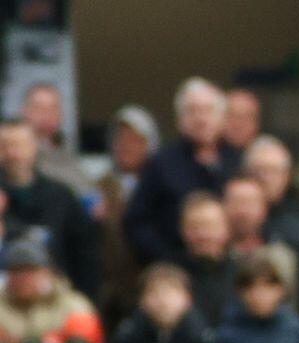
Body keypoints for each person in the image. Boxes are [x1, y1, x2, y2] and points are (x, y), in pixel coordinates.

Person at [124, 78, 241, 265]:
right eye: (193, 111)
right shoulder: (160, 164)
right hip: (175, 267)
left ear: (222, 118)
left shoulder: (238, 161)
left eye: (208, 110)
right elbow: (137, 223)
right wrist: (168, 259)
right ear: (180, 119)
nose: (201, 119)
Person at [0, 239, 103, 343]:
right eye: (16, 272)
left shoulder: (74, 305)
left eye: (30, 271)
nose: (23, 279)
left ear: (47, 272)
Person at [0, 119, 94, 295]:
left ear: (34, 147)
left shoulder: (60, 196)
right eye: (5, 146)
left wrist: (83, 297)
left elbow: (83, 254)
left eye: (18, 145)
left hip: (55, 296)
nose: (12, 153)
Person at [95, 105, 157, 318]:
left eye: (135, 140)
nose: (127, 147)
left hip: (148, 287)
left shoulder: (159, 186)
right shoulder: (97, 187)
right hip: (109, 292)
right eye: (121, 140)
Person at [241, 136, 299, 280]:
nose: (265, 178)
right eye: (258, 171)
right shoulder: (235, 213)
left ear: (287, 176)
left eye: (273, 171)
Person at [222, 174, 299, 307]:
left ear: (264, 209)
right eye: (236, 202)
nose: (243, 211)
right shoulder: (211, 254)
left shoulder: (281, 258)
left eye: (250, 203)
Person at [17, 81, 94, 200]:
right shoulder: (14, 154)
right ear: (24, 112)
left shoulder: (67, 153)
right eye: (39, 108)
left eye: (53, 108)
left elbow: (86, 190)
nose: (46, 114)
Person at [175, 190, 235, 325]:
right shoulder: (170, 277)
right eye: (195, 227)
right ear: (182, 231)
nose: (203, 235)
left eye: (210, 226)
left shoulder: (244, 275)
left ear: (226, 229)